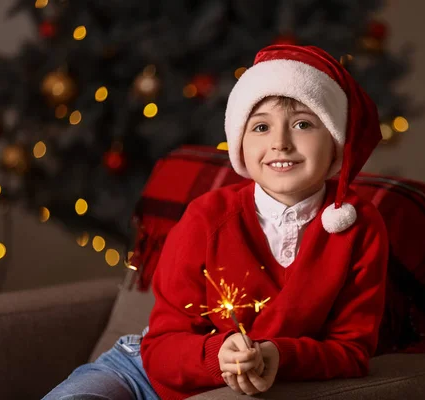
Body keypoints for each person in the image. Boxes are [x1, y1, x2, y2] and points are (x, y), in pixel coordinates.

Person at [43, 43, 387, 400]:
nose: (280, 143)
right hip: (141, 371)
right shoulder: (206, 218)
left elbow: (352, 350)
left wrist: (279, 355)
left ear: (335, 142)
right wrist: (216, 354)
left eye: (303, 124)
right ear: (239, 143)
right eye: (261, 127)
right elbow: (162, 347)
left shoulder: (358, 227)